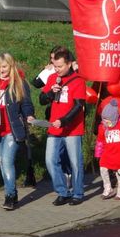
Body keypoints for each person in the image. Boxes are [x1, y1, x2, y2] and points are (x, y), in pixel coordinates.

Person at [0, 53, 35, 210]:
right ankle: (13, 193)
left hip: (13, 129)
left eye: (4, 66)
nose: (1, 70)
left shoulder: (19, 83)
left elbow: (26, 104)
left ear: (11, 66)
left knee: (7, 162)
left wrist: (30, 115)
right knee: (1, 163)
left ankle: (10, 196)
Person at [40, 48, 86, 206]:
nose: (57, 69)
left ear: (69, 64)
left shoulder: (78, 80)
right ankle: (62, 191)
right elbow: (41, 99)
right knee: (50, 160)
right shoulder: (53, 78)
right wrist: (50, 94)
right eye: (55, 66)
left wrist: (64, 121)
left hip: (72, 129)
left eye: (60, 66)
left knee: (75, 163)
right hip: (54, 128)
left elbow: (79, 106)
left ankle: (78, 193)